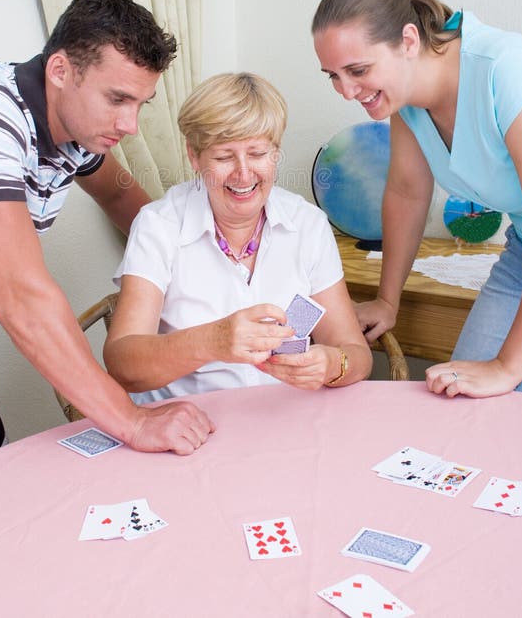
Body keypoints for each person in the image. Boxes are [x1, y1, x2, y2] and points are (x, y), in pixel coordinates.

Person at [0, 0, 214, 467]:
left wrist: (194, 265)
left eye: (140, 103)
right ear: (60, 70)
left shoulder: (75, 134)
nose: (130, 125)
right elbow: (21, 296)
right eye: (117, 99)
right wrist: (134, 420)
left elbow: (119, 194)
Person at [312, 0, 522, 399]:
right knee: (462, 400)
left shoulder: (505, 71)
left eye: (357, 70)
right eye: (332, 75)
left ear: (409, 41)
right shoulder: (406, 100)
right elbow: (407, 192)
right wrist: (387, 301)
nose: (346, 91)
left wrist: (507, 366)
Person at [103, 72, 372, 399]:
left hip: (285, 423)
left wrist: (333, 364)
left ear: (276, 152)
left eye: (258, 153)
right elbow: (123, 364)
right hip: (187, 427)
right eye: (224, 156)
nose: (244, 174)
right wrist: (212, 341)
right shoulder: (159, 225)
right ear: (194, 156)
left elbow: (357, 355)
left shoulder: (308, 225)